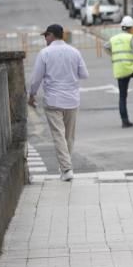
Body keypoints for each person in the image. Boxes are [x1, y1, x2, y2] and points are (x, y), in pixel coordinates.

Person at [28, 24, 89, 181]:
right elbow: (84, 74)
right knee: (69, 136)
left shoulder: (45, 53)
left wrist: (32, 94)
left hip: (53, 100)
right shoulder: (75, 52)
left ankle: (66, 168)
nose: (44, 39)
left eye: (45, 36)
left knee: (58, 135)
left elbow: (36, 78)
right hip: (72, 100)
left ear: (51, 35)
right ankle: (65, 167)